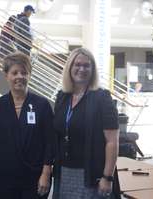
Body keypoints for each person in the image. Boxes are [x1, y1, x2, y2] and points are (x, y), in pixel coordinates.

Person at [52, 48, 120, 199]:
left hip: (91, 174)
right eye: (77, 64)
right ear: (69, 67)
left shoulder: (102, 98)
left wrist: (107, 177)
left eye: (86, 65)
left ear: (93, 70)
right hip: (64, 172)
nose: (81, 69)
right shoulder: (62, 97)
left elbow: (112, 141)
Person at [0, 52, 54, 199]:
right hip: (4, 180)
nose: (19, 76)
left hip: (35, 179)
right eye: (14, 72)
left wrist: (46, 173)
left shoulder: (42, 105)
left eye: (24, 72)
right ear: (6, 75)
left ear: (29, 75)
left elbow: (50, 142)